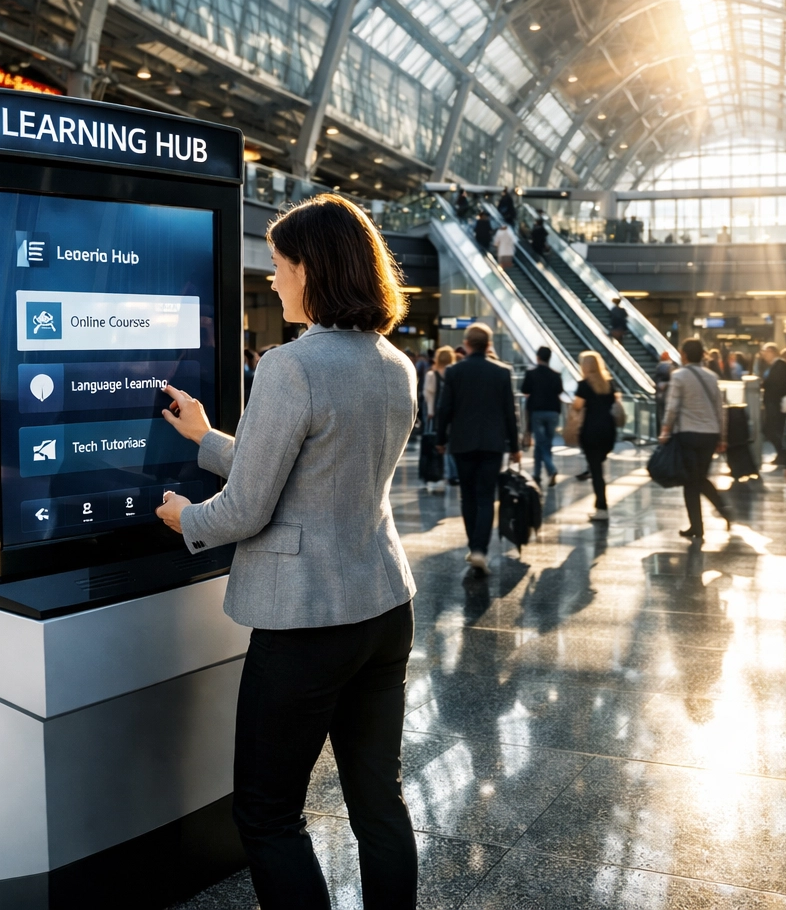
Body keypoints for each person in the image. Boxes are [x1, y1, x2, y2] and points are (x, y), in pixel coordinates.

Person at [153, 193, 420, 909]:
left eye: (279, 264)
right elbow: (315, 473)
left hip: (307, 622)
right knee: (379, 800)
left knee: (268, 814)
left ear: (314, 269)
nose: (271, 280)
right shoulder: (393, 363)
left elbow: (247, 507)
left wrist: (186, 518)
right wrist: (207, 438)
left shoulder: (289, 365)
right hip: (382, 604)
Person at [435, 322, 521, 573]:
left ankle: (474, 547)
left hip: (462, 442)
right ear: (488, 345)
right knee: (486, 498)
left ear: (467, 344)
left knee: (468, 496)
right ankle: (480, 550)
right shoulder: (502, 372)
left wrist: (440, 439)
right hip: (493, 444)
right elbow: (510, 413)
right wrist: (515, 446)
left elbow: (444, 409)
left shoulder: (454, 371)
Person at [659, 337, 731, 541]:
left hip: (688, 434)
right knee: (698, 478)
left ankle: (698, 526)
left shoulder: (679, 376)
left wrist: (665, 430)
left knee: (691, 481)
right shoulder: (711, 377)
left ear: (684, 355)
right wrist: (722, 436)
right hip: (710, 434)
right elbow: (720, 409)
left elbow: (672, 407)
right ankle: (721, 510)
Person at [571, 351, 619, 522]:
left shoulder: (584, 385)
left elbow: (577, 406)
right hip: (608, 431)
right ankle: (600, 505)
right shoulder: (609, 384)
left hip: (591, 431)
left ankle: (602, 508)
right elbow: (613, 403)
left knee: (596, 471)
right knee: (598, 468)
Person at [520, 346, 563, 486]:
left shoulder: (531, 374)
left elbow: (525, 389)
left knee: (540, 443)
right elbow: (559, 391)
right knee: (545, 444)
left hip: (537, 412)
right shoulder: (556, 375)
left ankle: (551, 469)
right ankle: (537, 474)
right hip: (553, 412)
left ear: (537, 357)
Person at [421, 346, 456, 493]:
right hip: (451, 415)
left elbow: (428, 395)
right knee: (449, 443)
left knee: (433, 443)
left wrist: (430, 412)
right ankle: (451, 473)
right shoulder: (454, 373)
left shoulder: (431, 375)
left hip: (434, 414)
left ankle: (434, 473)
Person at [759, 342, 786, 468]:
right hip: (773, 403)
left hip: (776, 404)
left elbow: (782, 384)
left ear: (772, 352)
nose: (764, 355)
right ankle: (782, 454)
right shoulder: (774, 366)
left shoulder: (780, 365)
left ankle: (784, 454)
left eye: (765, 352)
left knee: (771, 430)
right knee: (772, 430)